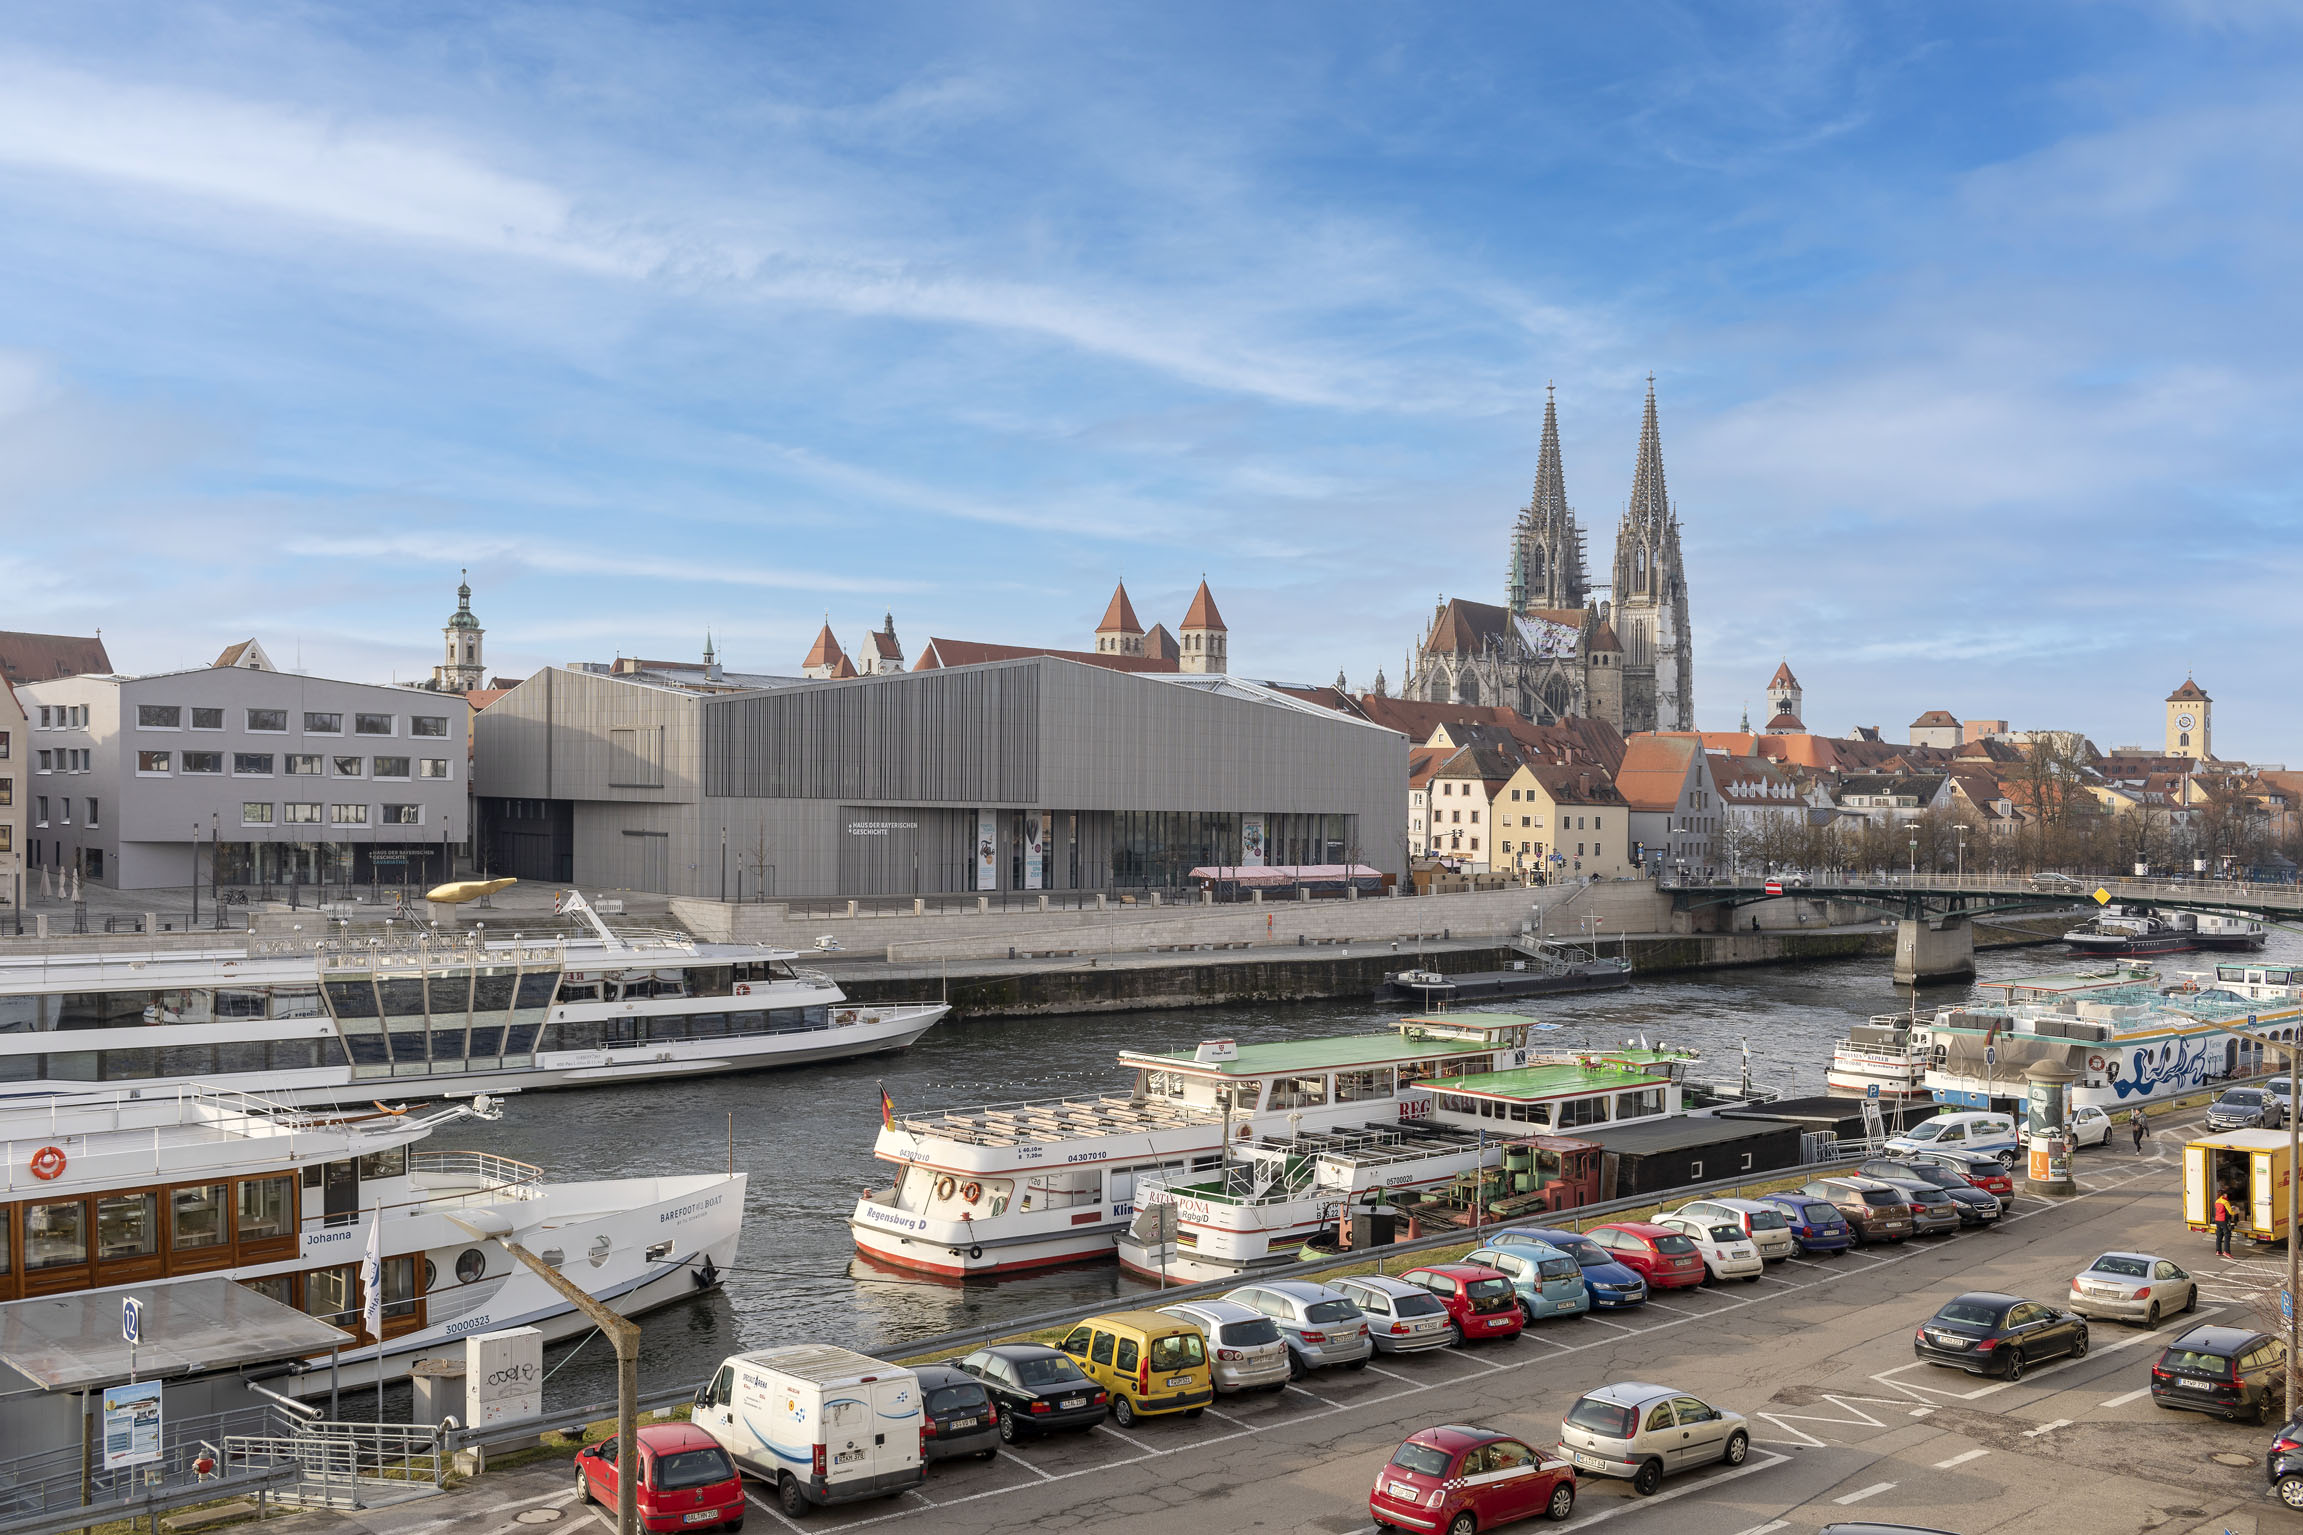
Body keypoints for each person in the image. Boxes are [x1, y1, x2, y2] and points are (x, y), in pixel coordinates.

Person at [2213, 1188, 2237, 1257]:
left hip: (2217, 1220)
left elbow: (2220, 1210)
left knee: (2219, 1235)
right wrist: (2235, 1211)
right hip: (2223, 1220)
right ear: (2224, 1194)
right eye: (2226, 1194)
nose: (2227, 1195)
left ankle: (2218, 1251)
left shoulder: (2217, 1201)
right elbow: (2230, 1212)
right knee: (2227, 1234)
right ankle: (2226, 1251)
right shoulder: (2225, 1202)